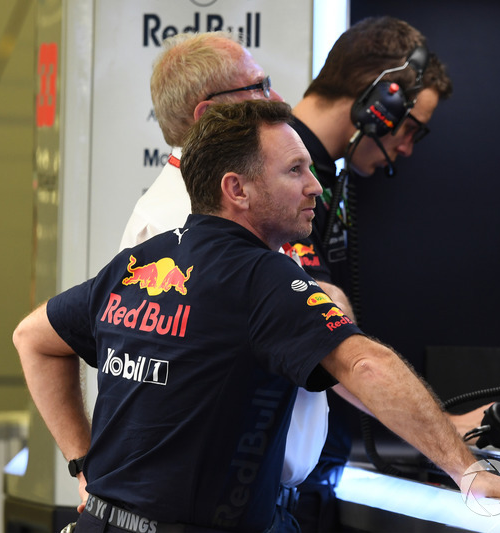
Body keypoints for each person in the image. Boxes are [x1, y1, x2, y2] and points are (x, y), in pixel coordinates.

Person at [13, 100, 500, 533]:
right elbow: (365, 366)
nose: (315, 189)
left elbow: (33, 337)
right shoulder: (261, 278)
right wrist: (467, 470)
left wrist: (83, 463)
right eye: (294, 171)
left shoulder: (137, 263)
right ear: (237, 189)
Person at [118, 32, 341, 501]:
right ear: (208, 116)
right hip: (219, 501)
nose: (276, 99)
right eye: (259, 87)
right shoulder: (178, 228)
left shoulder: (223, 216)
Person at [285, 17, 480, 531]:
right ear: (380, 101)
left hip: (304, 471)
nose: (409, 146)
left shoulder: (323, 178)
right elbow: (329, 340)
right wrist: (444, 433)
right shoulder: (284, 183)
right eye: (410, 126)